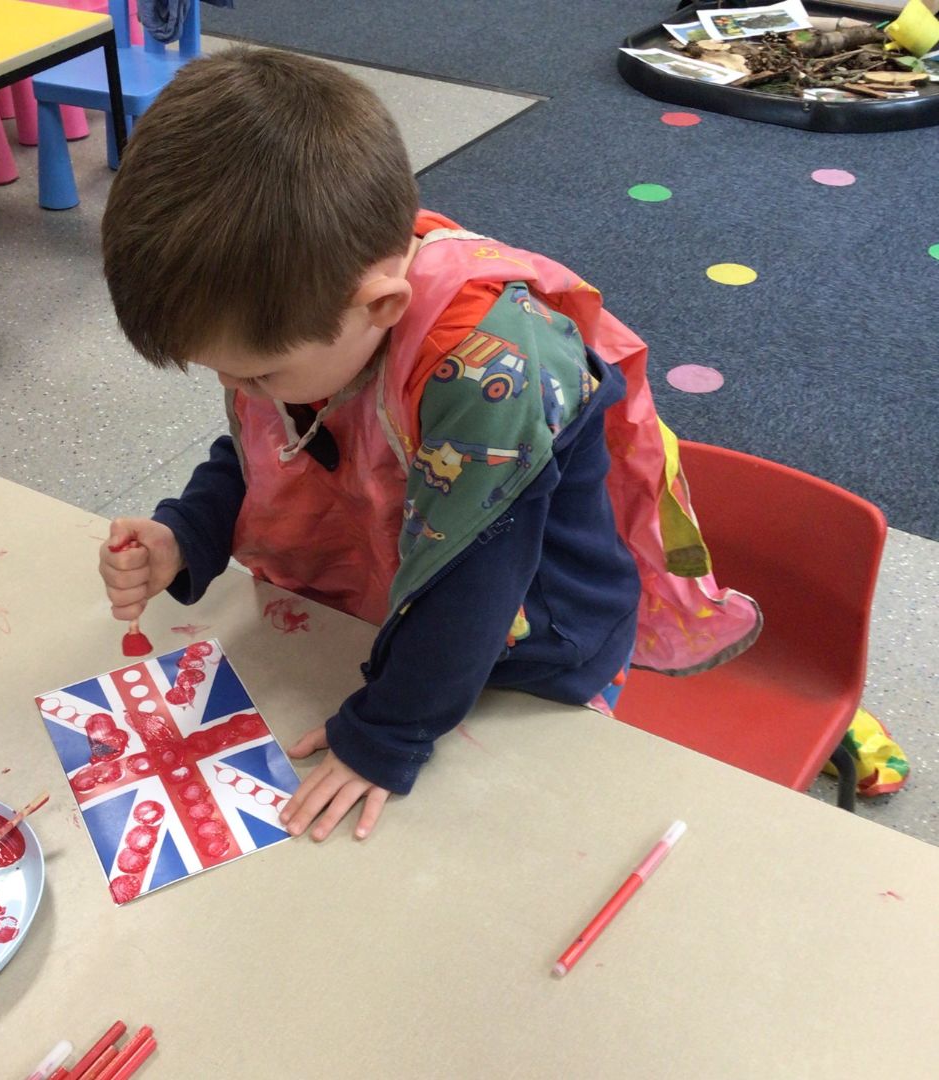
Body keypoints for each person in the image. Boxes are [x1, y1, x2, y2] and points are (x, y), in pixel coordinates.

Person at [98, 47, 754, 844]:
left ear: (383, 306)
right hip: (402, 613)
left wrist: (386, 738)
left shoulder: (491, 371)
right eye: (228, 376)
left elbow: (473, 589)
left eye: (260, 373)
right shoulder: (304, 315)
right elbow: (270, 443)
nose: (247, 393)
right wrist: (187, 533)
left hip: (526, 653)